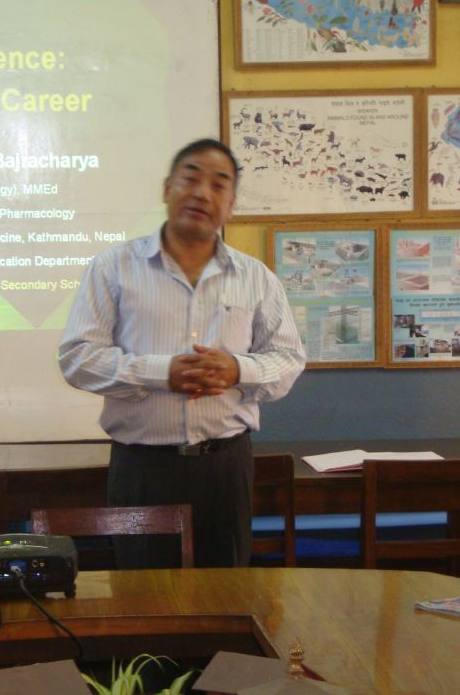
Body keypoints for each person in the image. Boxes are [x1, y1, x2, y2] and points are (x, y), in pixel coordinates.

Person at [58, 138, 305, 569]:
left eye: (219, 184)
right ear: (166, 188)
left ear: (231, 205)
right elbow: (78, 358)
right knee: (142, 595)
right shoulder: (113, 267)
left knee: (226, 596)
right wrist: (161, 373)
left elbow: (288, 359)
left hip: (225, 467)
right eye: (191, 178)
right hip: (142, 469)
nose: (202, 193)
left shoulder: (256, 278)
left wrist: (237, 370)